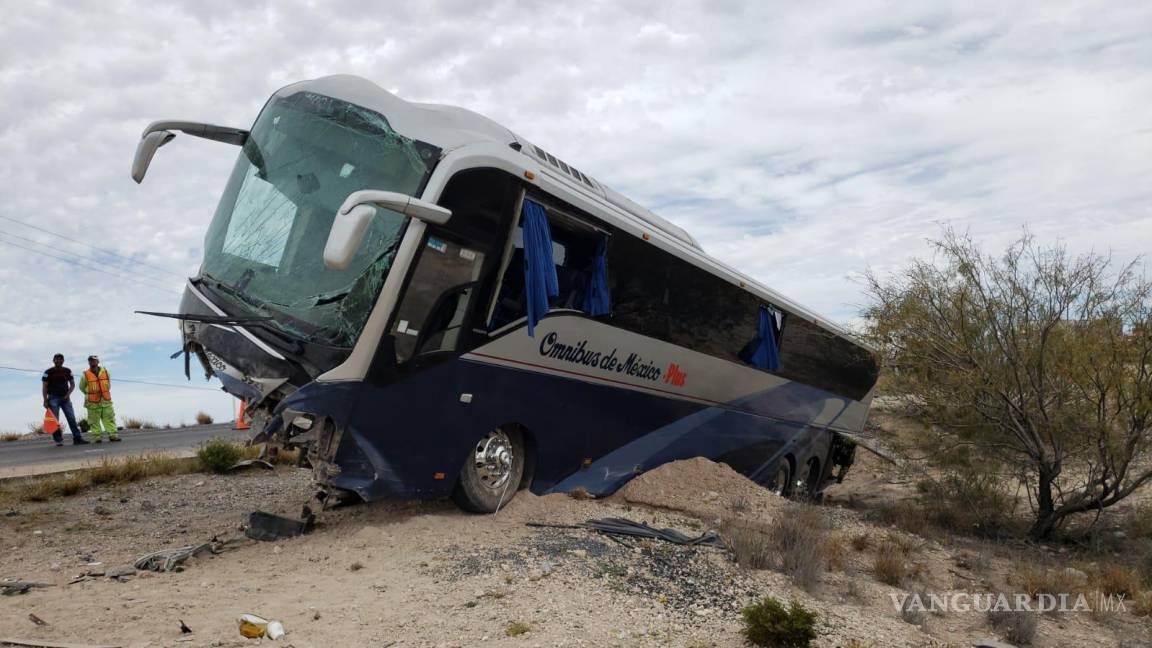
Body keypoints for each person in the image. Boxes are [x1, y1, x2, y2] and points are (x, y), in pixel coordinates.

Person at [41, 353, 89, 447]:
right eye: (57, 359)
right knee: (55, 420)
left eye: (60, 359)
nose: (58, 361)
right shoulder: (48, 372)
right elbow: (44, 387)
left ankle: (77, 438)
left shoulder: (67, 371)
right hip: (53, 398)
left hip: (65, 398)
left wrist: (68, 394)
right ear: (53, 360)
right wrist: (45, 400)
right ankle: (58, 440)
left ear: (63, 361)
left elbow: (72, 384)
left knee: (71, 418)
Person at [79, 355, 119, 443]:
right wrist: (90, 394)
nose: (92, 362)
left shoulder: (105, 372)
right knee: (94, 421)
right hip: (92, 402)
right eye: (90, 361)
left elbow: (108, 384)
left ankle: (113, 435)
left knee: (109, 418)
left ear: (98, 362)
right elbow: (81, 387)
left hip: (105, 401)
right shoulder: (85, 375)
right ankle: (97, 437)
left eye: (94, 360)